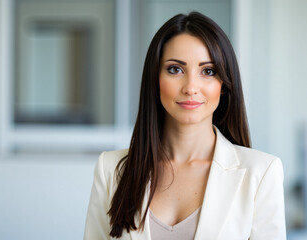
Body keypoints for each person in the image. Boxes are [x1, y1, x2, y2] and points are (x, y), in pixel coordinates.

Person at [84, 11, 286, 240]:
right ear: (155, 78)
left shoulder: (261, 173)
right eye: (175, 69)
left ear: (224, 84)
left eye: (208, 71)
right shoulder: (111, 169)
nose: (191, 87)